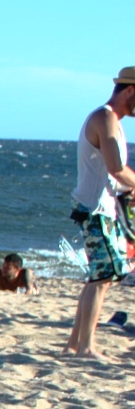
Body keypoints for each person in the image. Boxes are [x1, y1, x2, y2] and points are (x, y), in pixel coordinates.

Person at [64, 69, 135, 359]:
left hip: (100, 208)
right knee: (102, 278)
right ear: (130, 91)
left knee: (100, 277)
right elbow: (116, 168)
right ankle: (86, 346)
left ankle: (74, 344)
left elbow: (113, 173)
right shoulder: (105, 118)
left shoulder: (113, 122)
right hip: (95, 209)